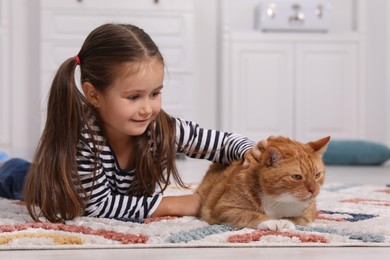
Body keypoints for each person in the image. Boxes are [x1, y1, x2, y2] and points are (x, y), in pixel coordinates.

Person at [0, 23, 265, 223]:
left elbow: (221, 144)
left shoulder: (160, 127)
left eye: (155, 93)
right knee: (16, 177)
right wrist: (176, 204)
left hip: (94, 186)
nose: (147, 108)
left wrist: (249, 151)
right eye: (133, 97)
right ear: (94, 94)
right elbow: (96, 207)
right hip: (40, 182)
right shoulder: (84, 138)